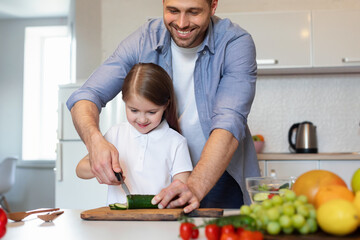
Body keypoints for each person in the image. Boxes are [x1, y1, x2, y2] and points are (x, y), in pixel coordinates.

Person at [67, 0, 260, 213]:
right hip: (163, 182)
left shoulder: (235, 43)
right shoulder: (144, 40)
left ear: (213, 6)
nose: (182, 23)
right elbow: (86, 96)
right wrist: (95, 143)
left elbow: (229, 121)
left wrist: (193, 187)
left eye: (193, 12)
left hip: (218, 175)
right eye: (172, 11)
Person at [75, 63, 193, 205]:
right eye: (134, 110)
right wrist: (102, 168)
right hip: (117, 224)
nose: (142, 119)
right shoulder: (116, 134)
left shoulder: (176, 142)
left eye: (151, 112)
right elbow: (80, 170)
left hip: (159, 224)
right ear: (124, 102)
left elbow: (182, 189)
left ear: (165, 105)